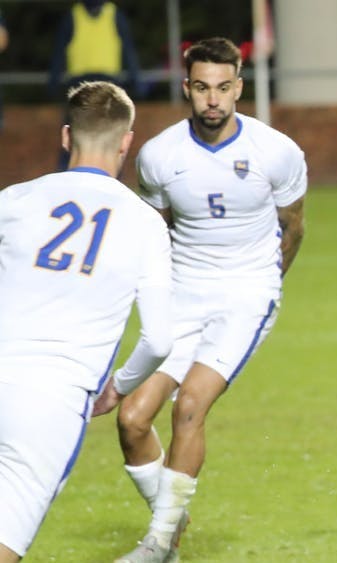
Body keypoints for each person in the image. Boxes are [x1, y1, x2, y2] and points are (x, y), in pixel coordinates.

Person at [113, 37, 307, 563]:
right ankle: (171, 524)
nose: (213, 100)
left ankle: (157, 543)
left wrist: (265, 287)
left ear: (239, 87)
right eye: (202, 88)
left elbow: (293, 228)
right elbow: (155, 234)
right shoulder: (158, 156)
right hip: (183, 295)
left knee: (191, 405)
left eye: (223, 88)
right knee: (131, 420)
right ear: (187, 89)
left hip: (247, 295)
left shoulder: (277, 151)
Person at [0, 81, 172, 562]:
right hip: (50, 400)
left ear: (65, 135)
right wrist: (118, 386)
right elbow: (159, 339)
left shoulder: (12, 201)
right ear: (126, 142)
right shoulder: (144, 223)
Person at [49, 0, 144, 170]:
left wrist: (136, 79)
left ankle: (111, 178)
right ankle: (66, 175)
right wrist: (54, 82)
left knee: (112, 134)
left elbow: (127, 48)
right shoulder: (73, 16)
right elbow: (59, 51)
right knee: (74, 135)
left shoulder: (114, 15)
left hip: (107, 81)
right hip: (79, 84)